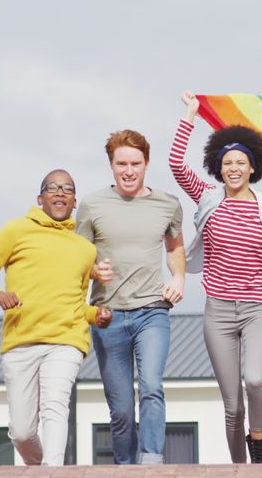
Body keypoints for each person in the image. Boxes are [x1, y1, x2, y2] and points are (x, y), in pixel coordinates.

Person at [169, 92, 262, 464]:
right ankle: (239, 468)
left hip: (259, 309)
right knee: (232, 405)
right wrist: (191, 116)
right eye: (226, 162)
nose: (233, 168)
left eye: (240, 162)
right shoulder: (208, 199)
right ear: (219, 168)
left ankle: (258, 446)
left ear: (252, 168)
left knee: (255, 380)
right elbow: (176, 165)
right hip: (218, 312)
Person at [0, 170, 112, 466]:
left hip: (66, 340)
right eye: (52, 188)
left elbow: (74, 303)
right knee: (21, 432)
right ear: (40, 198)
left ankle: (52, 472)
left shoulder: (85, 249)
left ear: (74, 201)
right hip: (20, 340)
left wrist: (96, 315)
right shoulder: (16, 230)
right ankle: (39, 468)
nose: (60, 193)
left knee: (55, 407)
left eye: (67, 189)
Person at [76, 130, 186, 465]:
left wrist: (179, 277)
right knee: (121, 407)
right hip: (107, 315)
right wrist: (95, 271)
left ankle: (151, 461)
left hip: (152, 311)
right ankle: (125, 468)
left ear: (147, 163)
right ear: (111, 165)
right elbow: (77, 257)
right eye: (121, 163)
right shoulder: (92, 205)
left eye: (135, 163)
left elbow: (175, 248)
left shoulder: (167, 204)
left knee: (152, 386)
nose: (128, 170)